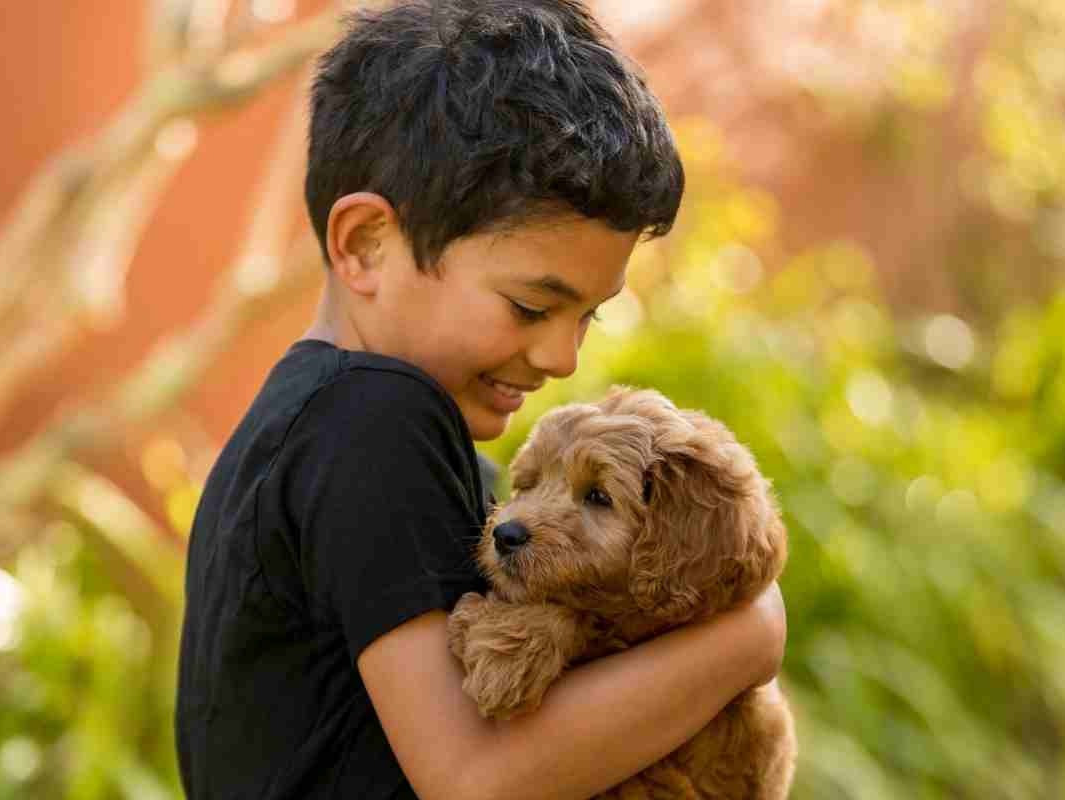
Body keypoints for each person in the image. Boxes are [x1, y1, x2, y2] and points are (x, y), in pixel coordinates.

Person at [173, 1, 787, 798]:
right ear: (365, 244)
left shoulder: (308, 420)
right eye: (532, 306)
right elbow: (473, 777)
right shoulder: (374, 419)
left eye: (587, 316)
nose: (564, 356)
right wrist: (743, 639)